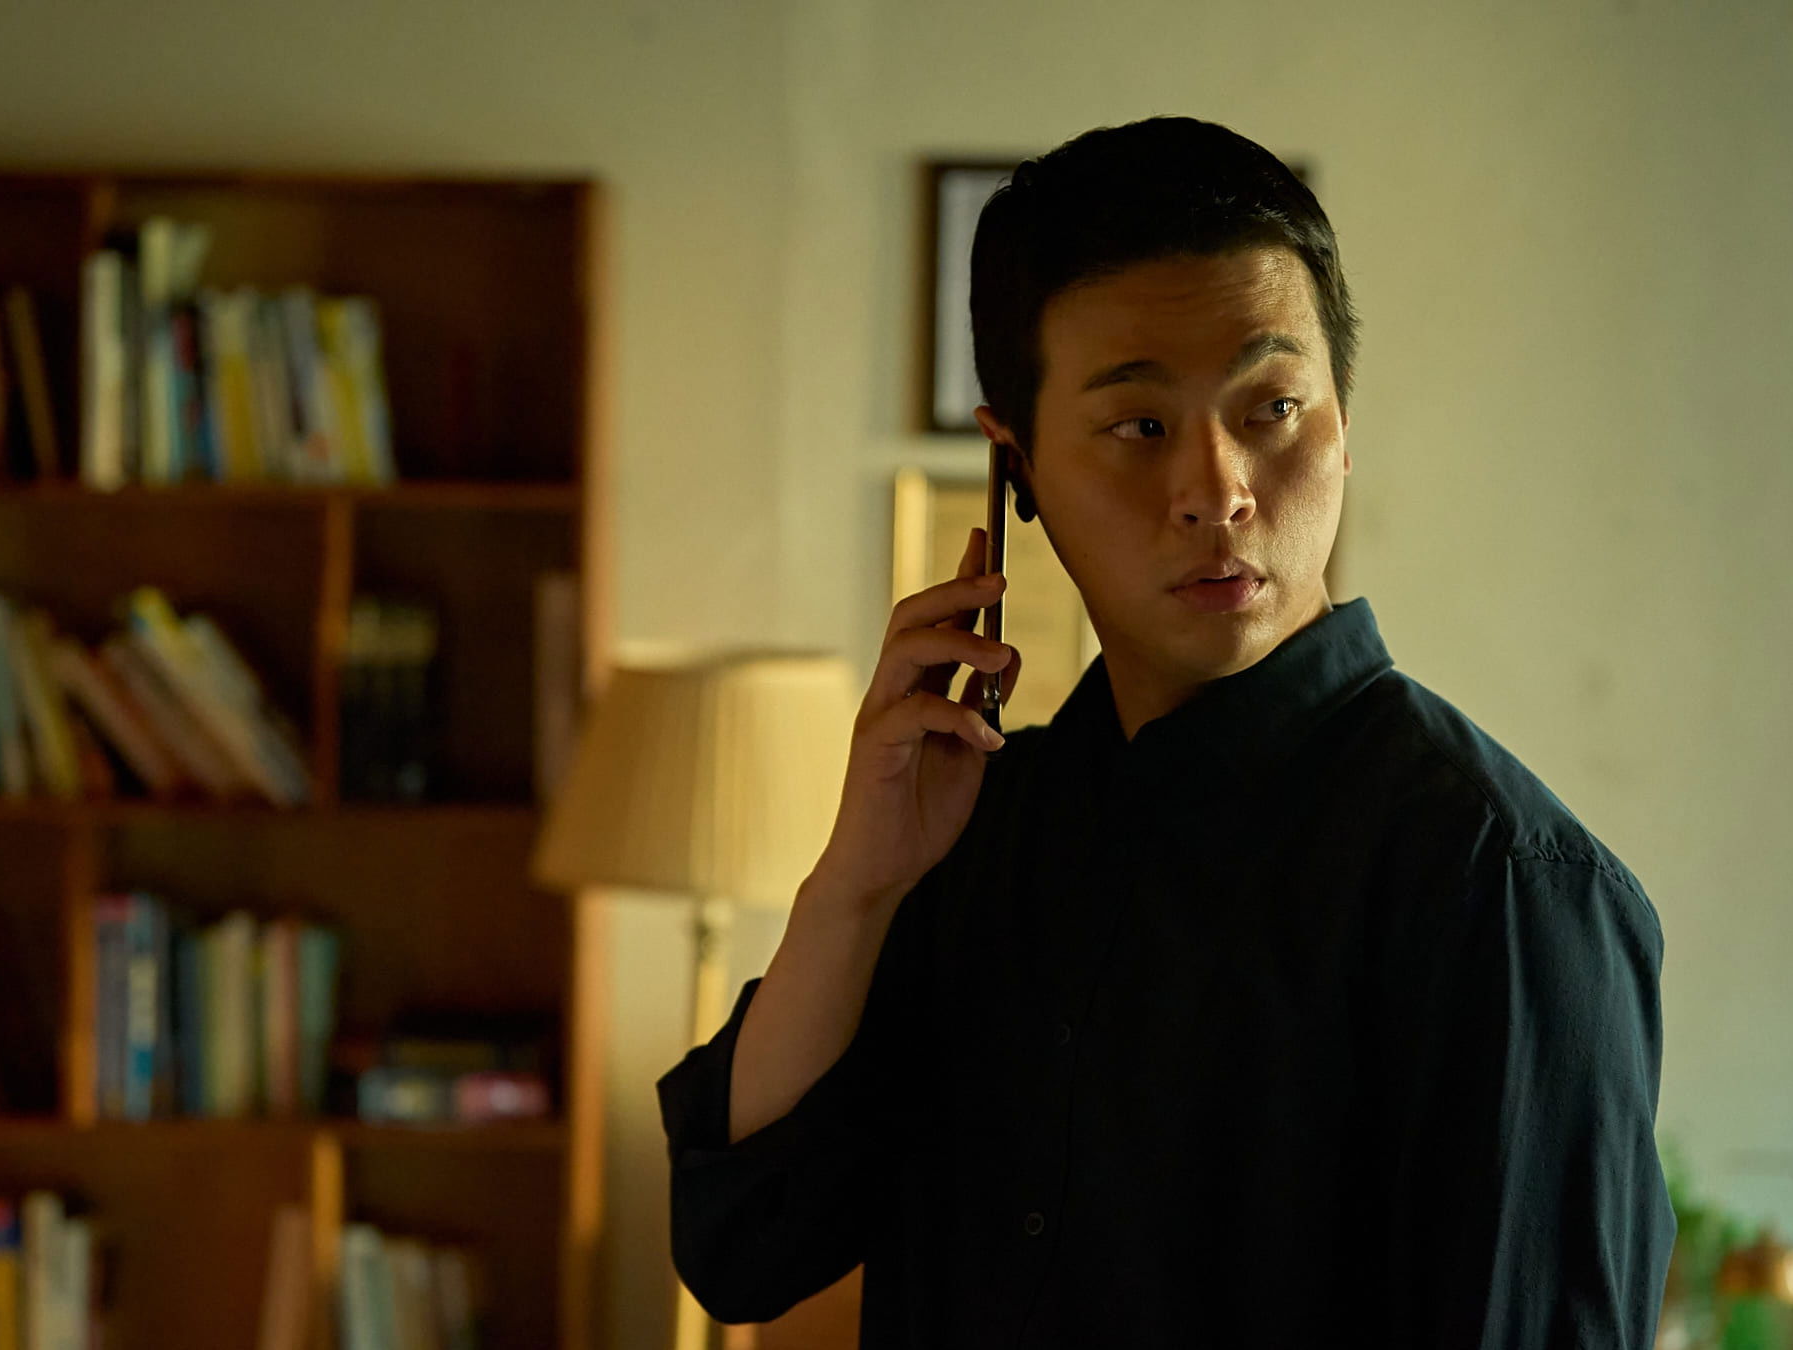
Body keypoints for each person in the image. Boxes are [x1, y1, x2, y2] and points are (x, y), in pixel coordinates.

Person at [656, 114, 1675, 1348]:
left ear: (1343, 423)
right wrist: (856, 888)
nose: (1219, 489)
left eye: (1273, 407)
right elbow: (742, 1248)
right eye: (1140, 426)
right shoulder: (977, 826)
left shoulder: (1498, 886)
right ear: (1018, 468)